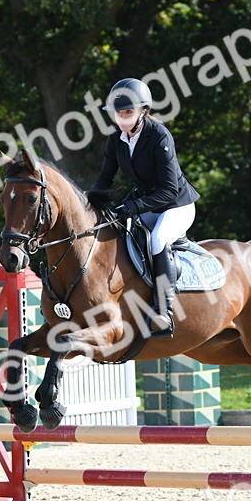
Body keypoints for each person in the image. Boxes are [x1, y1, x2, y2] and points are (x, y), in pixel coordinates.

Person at [87, 78, 200, 336]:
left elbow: (169, 189)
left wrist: (135, 206)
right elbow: (106, 178)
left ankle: (163, 310)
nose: (123, 119)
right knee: (116, 232)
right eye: (118, 113)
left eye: (128, 112)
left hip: (176, 206)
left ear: (143, 111)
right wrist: (90, 199)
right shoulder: (116, 140)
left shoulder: (159, 136)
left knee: (157, 239)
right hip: (146, 205)